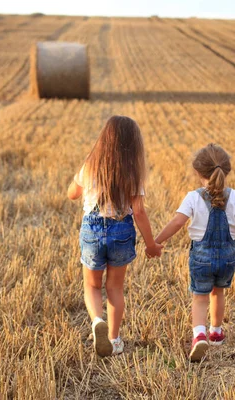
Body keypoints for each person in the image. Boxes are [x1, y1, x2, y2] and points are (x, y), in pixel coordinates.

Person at [67, 115, 163, 357]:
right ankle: (114, 338)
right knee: (115, 288)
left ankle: (97, 320)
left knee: (91, 284)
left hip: (92, 228)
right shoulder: (132, 172)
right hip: (121, 229)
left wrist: (81, 175)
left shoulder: (91, 164)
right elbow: (139, 212)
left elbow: (72, 194)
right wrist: (151, 244)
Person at [155, 143, 235, 361]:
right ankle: (216, 333)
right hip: (227, 257)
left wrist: (157, 241)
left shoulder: (193, 197)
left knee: (200, 297)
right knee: (218, 293)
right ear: (226, 171)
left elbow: (177, 222)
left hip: (201, 258)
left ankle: (199, 335)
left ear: (198, 172)